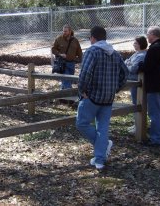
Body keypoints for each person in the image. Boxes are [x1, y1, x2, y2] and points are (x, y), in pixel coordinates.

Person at [76, 26, 128, 170]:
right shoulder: (115, 54)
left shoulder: (92, 52)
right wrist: (115, 88)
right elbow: (125, 73)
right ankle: (99, 160)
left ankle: (103, 146)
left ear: (93, 37)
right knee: (103, 129)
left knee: (82, 124)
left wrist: (82, 90)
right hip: (108, 97)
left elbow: (85, 73)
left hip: (92, 96)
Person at [140, 26, 160, 146]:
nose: (147, 36)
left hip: (154, 85)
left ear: (153, 34)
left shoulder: (154, 48)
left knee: (155, 113)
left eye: (148, 34)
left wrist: (140, 66)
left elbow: (148, 67)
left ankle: (156, 139)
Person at [125, 36, 148, 134]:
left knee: (137, 104)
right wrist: (128, 63)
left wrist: (128, 63)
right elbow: (126, 63)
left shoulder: (142, 55)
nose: (133, 44)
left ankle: (139, 126)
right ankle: (136, 124)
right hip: (132, 82)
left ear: (140, 44)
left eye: (135, 43)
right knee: (135, 103)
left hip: (137, 83)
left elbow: (133, 68)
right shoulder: (136, 54)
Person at [51, 24, 83, 89]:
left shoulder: (75, 40)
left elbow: (79, 52)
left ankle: (61, 97)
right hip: (63, 64)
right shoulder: (59, 39)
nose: (64, 32)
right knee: (66, 83)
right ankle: (70, 98)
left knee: (68, 82)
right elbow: (53, 49)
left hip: (71, 64)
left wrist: (81, 60)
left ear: (70, 31)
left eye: (65, 31)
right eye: (63, 31)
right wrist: (59, 54)